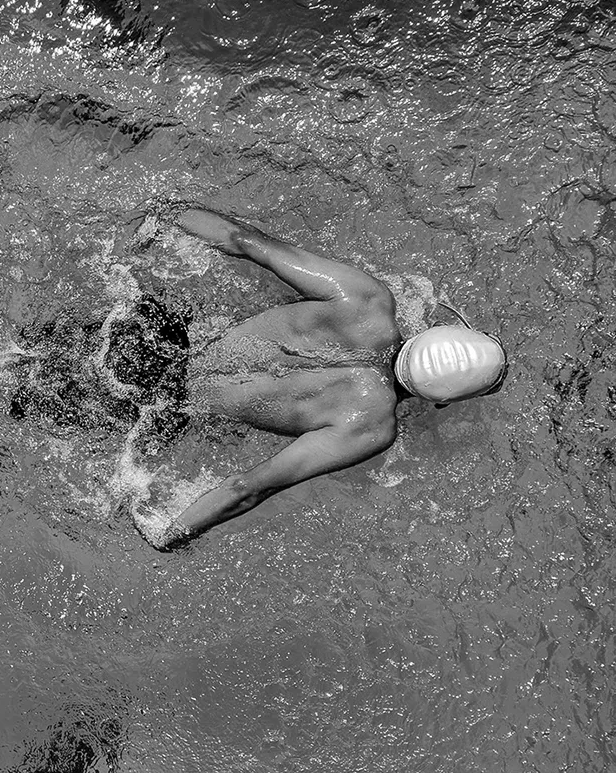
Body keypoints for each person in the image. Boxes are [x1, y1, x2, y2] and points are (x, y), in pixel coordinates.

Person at [127, 204, 508, 550]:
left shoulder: (366, 300)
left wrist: (163, 216)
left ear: (434, 328)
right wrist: (170, 534)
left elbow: (243, 241)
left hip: (155, 338)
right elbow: (248, 487)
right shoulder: (370, 428)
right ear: (440, 401)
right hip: (157, 408)